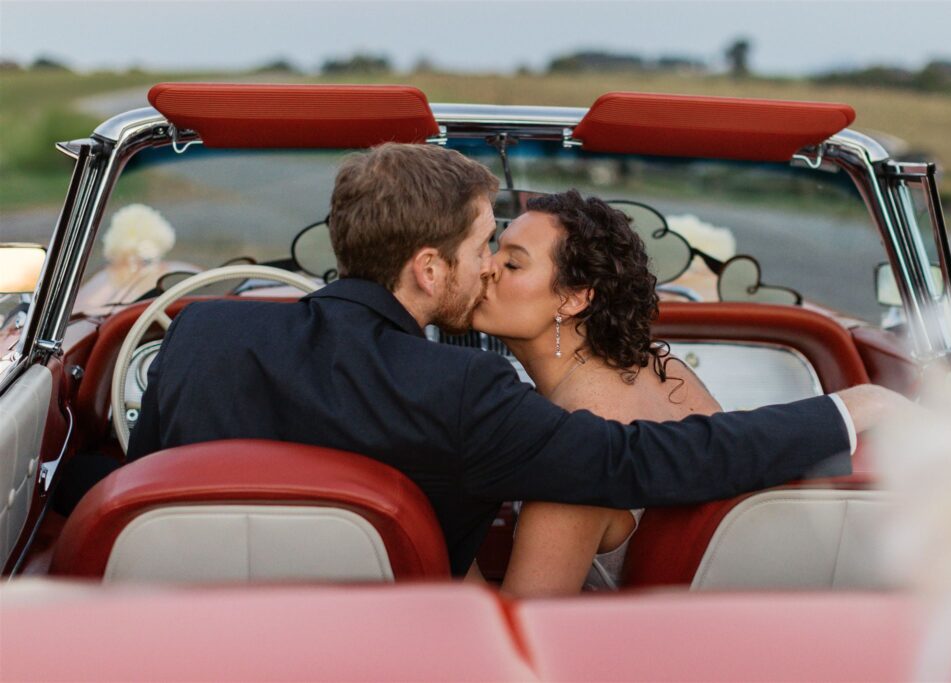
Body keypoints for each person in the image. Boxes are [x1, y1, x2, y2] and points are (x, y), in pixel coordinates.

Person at [127, 142, 903, 576]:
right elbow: (644, 457)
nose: (489, 266)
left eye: (505, 253)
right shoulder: (466, 387)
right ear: (430, 270)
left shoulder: (200, 334)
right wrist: (846, 408)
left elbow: (144, 488)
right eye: (481, 245)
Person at [472, 190, 721, 595]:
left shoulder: (576, 443)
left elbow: (524, 624)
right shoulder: (662, 368)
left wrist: (443, 546)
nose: (486, 268)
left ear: (573, 298)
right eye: (491, 250)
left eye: (513, 263)